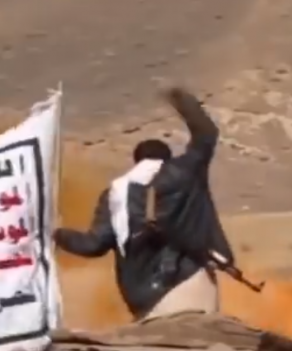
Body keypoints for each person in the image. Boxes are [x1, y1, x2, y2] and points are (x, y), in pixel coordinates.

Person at [53, 86, 235, 321]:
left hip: (143, 297)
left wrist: (57, 234)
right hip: (190, 282)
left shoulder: (114, 194)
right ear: (167, 158)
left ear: (137, 160)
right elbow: (206, 134)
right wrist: (181, 99)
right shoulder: (185, 172)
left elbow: (93, 245)